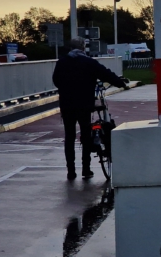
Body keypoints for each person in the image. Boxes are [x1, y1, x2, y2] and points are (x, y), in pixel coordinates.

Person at [53, 38, 128, 180]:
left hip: (67, 105)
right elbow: (106, 74)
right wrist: (120, 83)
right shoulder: (89, 62)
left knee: (69, 136)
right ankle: (86, 169)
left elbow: (56, 81)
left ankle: (71, 171)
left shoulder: (62, 63)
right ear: (83, 48)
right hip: (84, 104)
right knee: (86, 134)